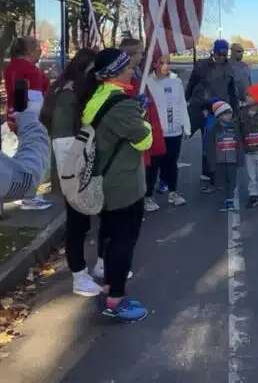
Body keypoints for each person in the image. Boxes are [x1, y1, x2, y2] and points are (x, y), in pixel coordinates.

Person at [81, 48, 152, 322]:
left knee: (111, 239)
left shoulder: (98, 97)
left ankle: (110, 288)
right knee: (124, 242)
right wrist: (142, 117)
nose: (132, 71)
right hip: (123, 185)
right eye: (128, 68)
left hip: (104, 181)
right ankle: (116, 301)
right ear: (116, 73)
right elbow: (143, 140)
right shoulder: (121, 104)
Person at [40, 49, 102, 296]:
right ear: (87, 69)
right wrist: (76, 174)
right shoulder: (69, 94)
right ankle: (79, 275)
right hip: (73, 165)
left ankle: (89, 269)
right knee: (77, 222)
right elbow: (64, 138)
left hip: (74, 162)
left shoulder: (64, 88)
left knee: (82, 220)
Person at [3, 36, 52, 210]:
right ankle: (29, 196)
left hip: (15, 115)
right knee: (33, 153)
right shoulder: (29, 69)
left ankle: (21, 193)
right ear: (31, 51)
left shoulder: (11, 67)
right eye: (38, 48)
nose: (41, 52)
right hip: (28, 117)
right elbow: (36, 98)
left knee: (19, 152)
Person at [119, 38, 167, 209]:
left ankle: (143, 196)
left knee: (150, 163)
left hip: (147, 121)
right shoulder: (124, 75)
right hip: (134, 127)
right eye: (140, 52)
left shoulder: (138, 72)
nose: (142, 56)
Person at [186, 39, 238, 182]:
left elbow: (232, 91)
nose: (221, 57)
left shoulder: (229, 68)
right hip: (198, 107)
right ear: (214, 52)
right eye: (219, 54)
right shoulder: (201, 65)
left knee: (213, 142)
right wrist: (185, 101)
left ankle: (209, 173)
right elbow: (191, 84)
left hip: (218, 110)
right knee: (182, 135)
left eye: (224, 55)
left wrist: (234, 110)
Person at [145, 55, 191, 208]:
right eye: (161, 62)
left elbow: (182, 104)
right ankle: (148, 197)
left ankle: (173, 193)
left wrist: (186, 126)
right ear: (154, 64)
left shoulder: (176, 82)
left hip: (174, 132)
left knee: (171, 164)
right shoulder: (147, 83)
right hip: (156, 132)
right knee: (153, 165)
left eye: (168, 63)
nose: (165, 66)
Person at [206, 101, 240, 212]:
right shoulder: (214, 129)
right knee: (220, 183)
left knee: (232, 182)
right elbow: (210, 147)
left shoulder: (234, 127)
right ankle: (222, 201)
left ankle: (230, 200)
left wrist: (239, 159)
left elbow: (239, 144)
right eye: (226, 113)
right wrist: (212, 162)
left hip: (232, 160)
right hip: (219, 161)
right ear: (220, 115)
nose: (229, 116)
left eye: (230, 113)